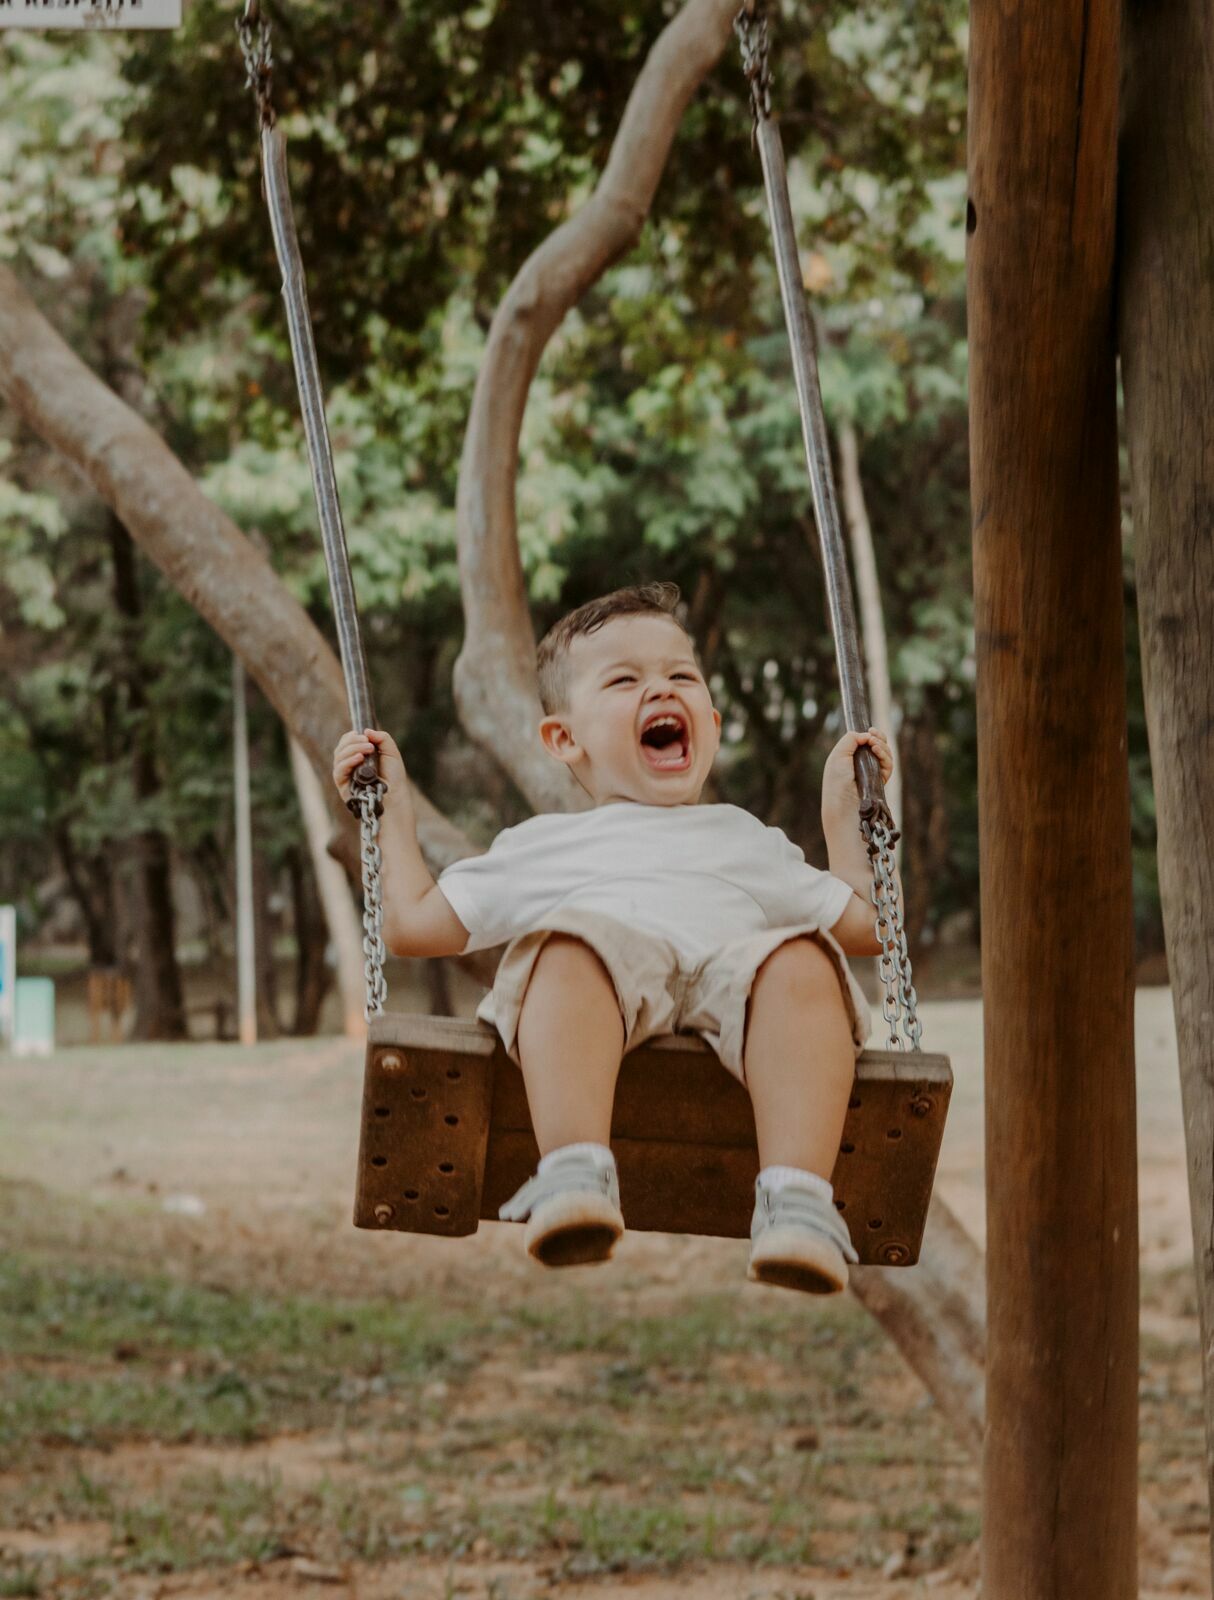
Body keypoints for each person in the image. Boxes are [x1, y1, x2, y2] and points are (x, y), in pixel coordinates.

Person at [332, 582, 895, 1296]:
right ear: (564, 738)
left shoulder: (748, 841)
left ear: (711, 724)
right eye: (625, 680)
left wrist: (844, 817)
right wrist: (390, 807)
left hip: (739, 997)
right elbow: (412, 926)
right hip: (609, 990)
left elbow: (869, 927)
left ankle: (800, 1204)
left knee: (802, 962)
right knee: (566, 949)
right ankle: (574, 1175)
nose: (659, 690)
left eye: (680, 676)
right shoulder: (543, 847)